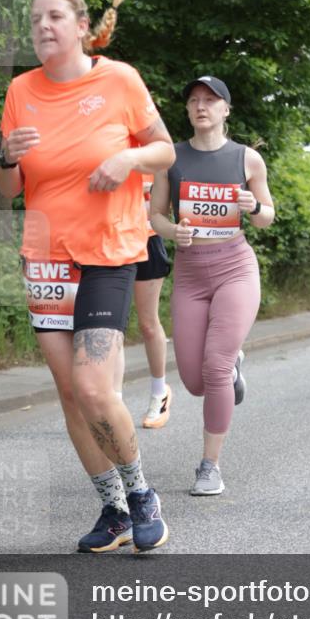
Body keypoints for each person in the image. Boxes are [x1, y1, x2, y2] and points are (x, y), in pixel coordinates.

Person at [0, 0, 175, 552]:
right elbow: (8, 189)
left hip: (109, 252)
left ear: (80, 27)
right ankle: (114, 510)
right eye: (34, 20)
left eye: (53, 17)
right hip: (47, 260)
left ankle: (142, 495)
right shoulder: (20, 90)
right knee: (71, 394)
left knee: (95, 387)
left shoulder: (118, 80)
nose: (42, 27)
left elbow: (165, 149)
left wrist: (127, 158)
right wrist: (6, 158)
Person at [150, 76, 275, 495]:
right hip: (190, 273)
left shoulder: (247, 159)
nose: (201, 106)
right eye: (194, 101)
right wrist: (173, 231)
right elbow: (155, 215)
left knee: (215, 367)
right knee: (194, 381)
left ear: (225, 110)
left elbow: (267, 216)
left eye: (210, 100)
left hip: (234, 267)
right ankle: (232, 363)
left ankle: (210, 466)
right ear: (187, 110)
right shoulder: (171, 158)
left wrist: (253, 206)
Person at [134, 172, 173, 429]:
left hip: (147, 237)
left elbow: (175, 199)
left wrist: (152, 190)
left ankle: (160, 394)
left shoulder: (156, 154)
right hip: (109, 237)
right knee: (108, 329)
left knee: (148, 324)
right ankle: (111, 402)